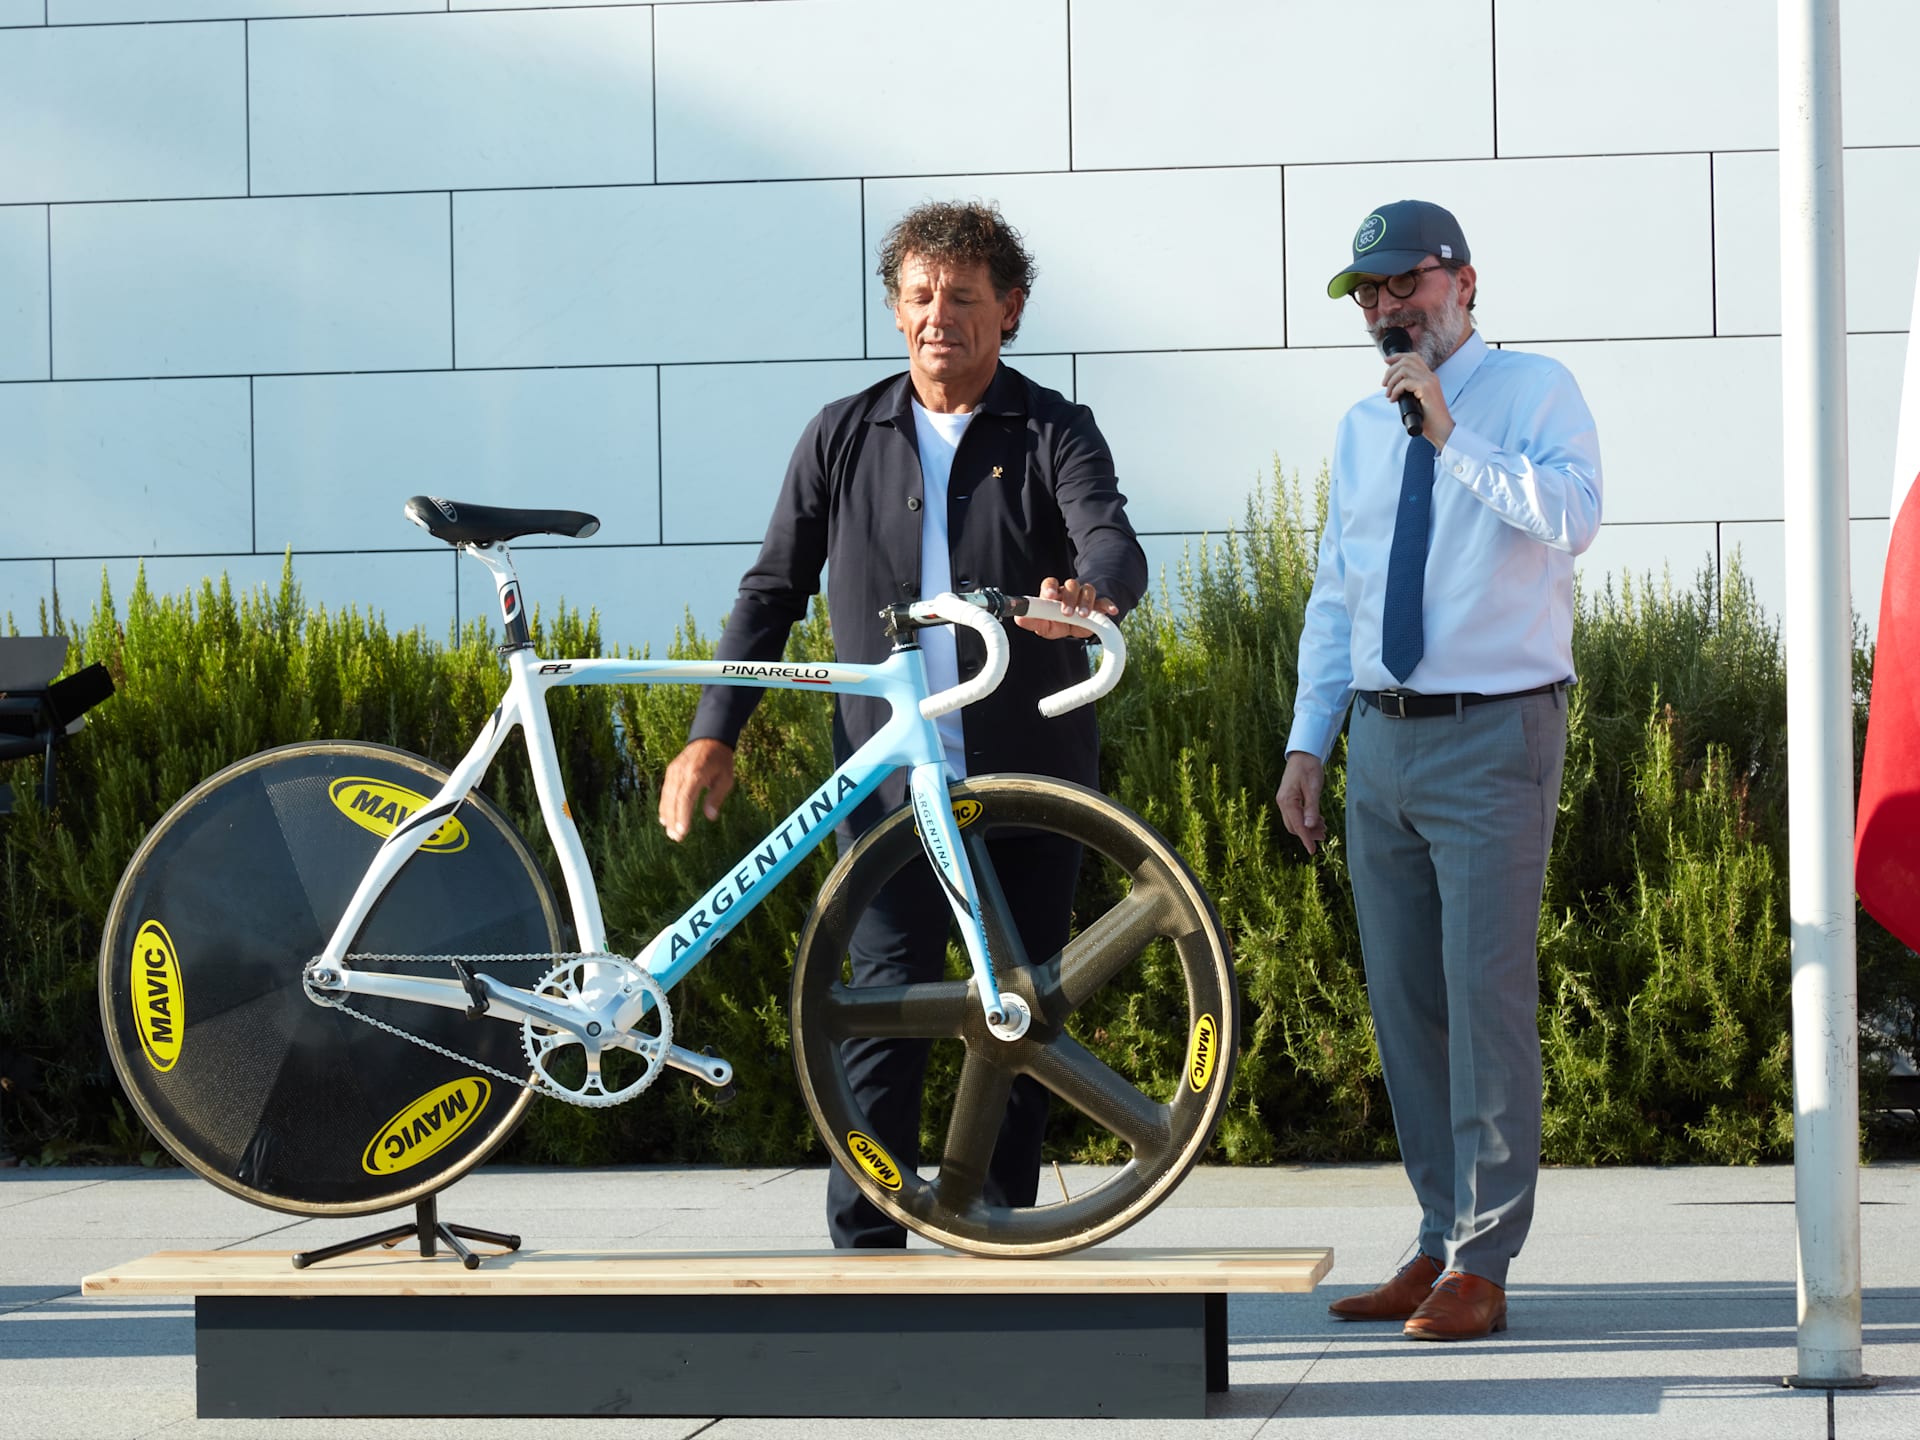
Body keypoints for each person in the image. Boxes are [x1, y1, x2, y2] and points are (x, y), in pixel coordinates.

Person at [658, 200, 1147, 1248]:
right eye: (920, 298)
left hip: (1031, 785)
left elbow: (1110, 539)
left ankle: (1001, 1231)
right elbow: (771, 592)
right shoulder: (843, 431)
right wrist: (716, 731)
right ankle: (866, 1243)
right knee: (878, 1012)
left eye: (963, 298)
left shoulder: (1053, 428)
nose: (939, 318)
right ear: (894, 309)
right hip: (888, 792)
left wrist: (1091, 596)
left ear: (1009, 311)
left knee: (1017, 1018)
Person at [1274, 200, 1602, 1340]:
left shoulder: (1534, 393)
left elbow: (1572, 520)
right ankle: (1433, 1237)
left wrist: (1454, 433)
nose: (1383, 308)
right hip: (1384, 739)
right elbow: (1339, 591)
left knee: (1486, 999)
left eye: (1401, 284)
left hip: (1494, 731)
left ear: (1463, 279)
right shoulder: (1363, 429)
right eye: (1366, 293)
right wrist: (1310, 742)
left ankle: (1484, 1260)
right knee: (1408, 1004)